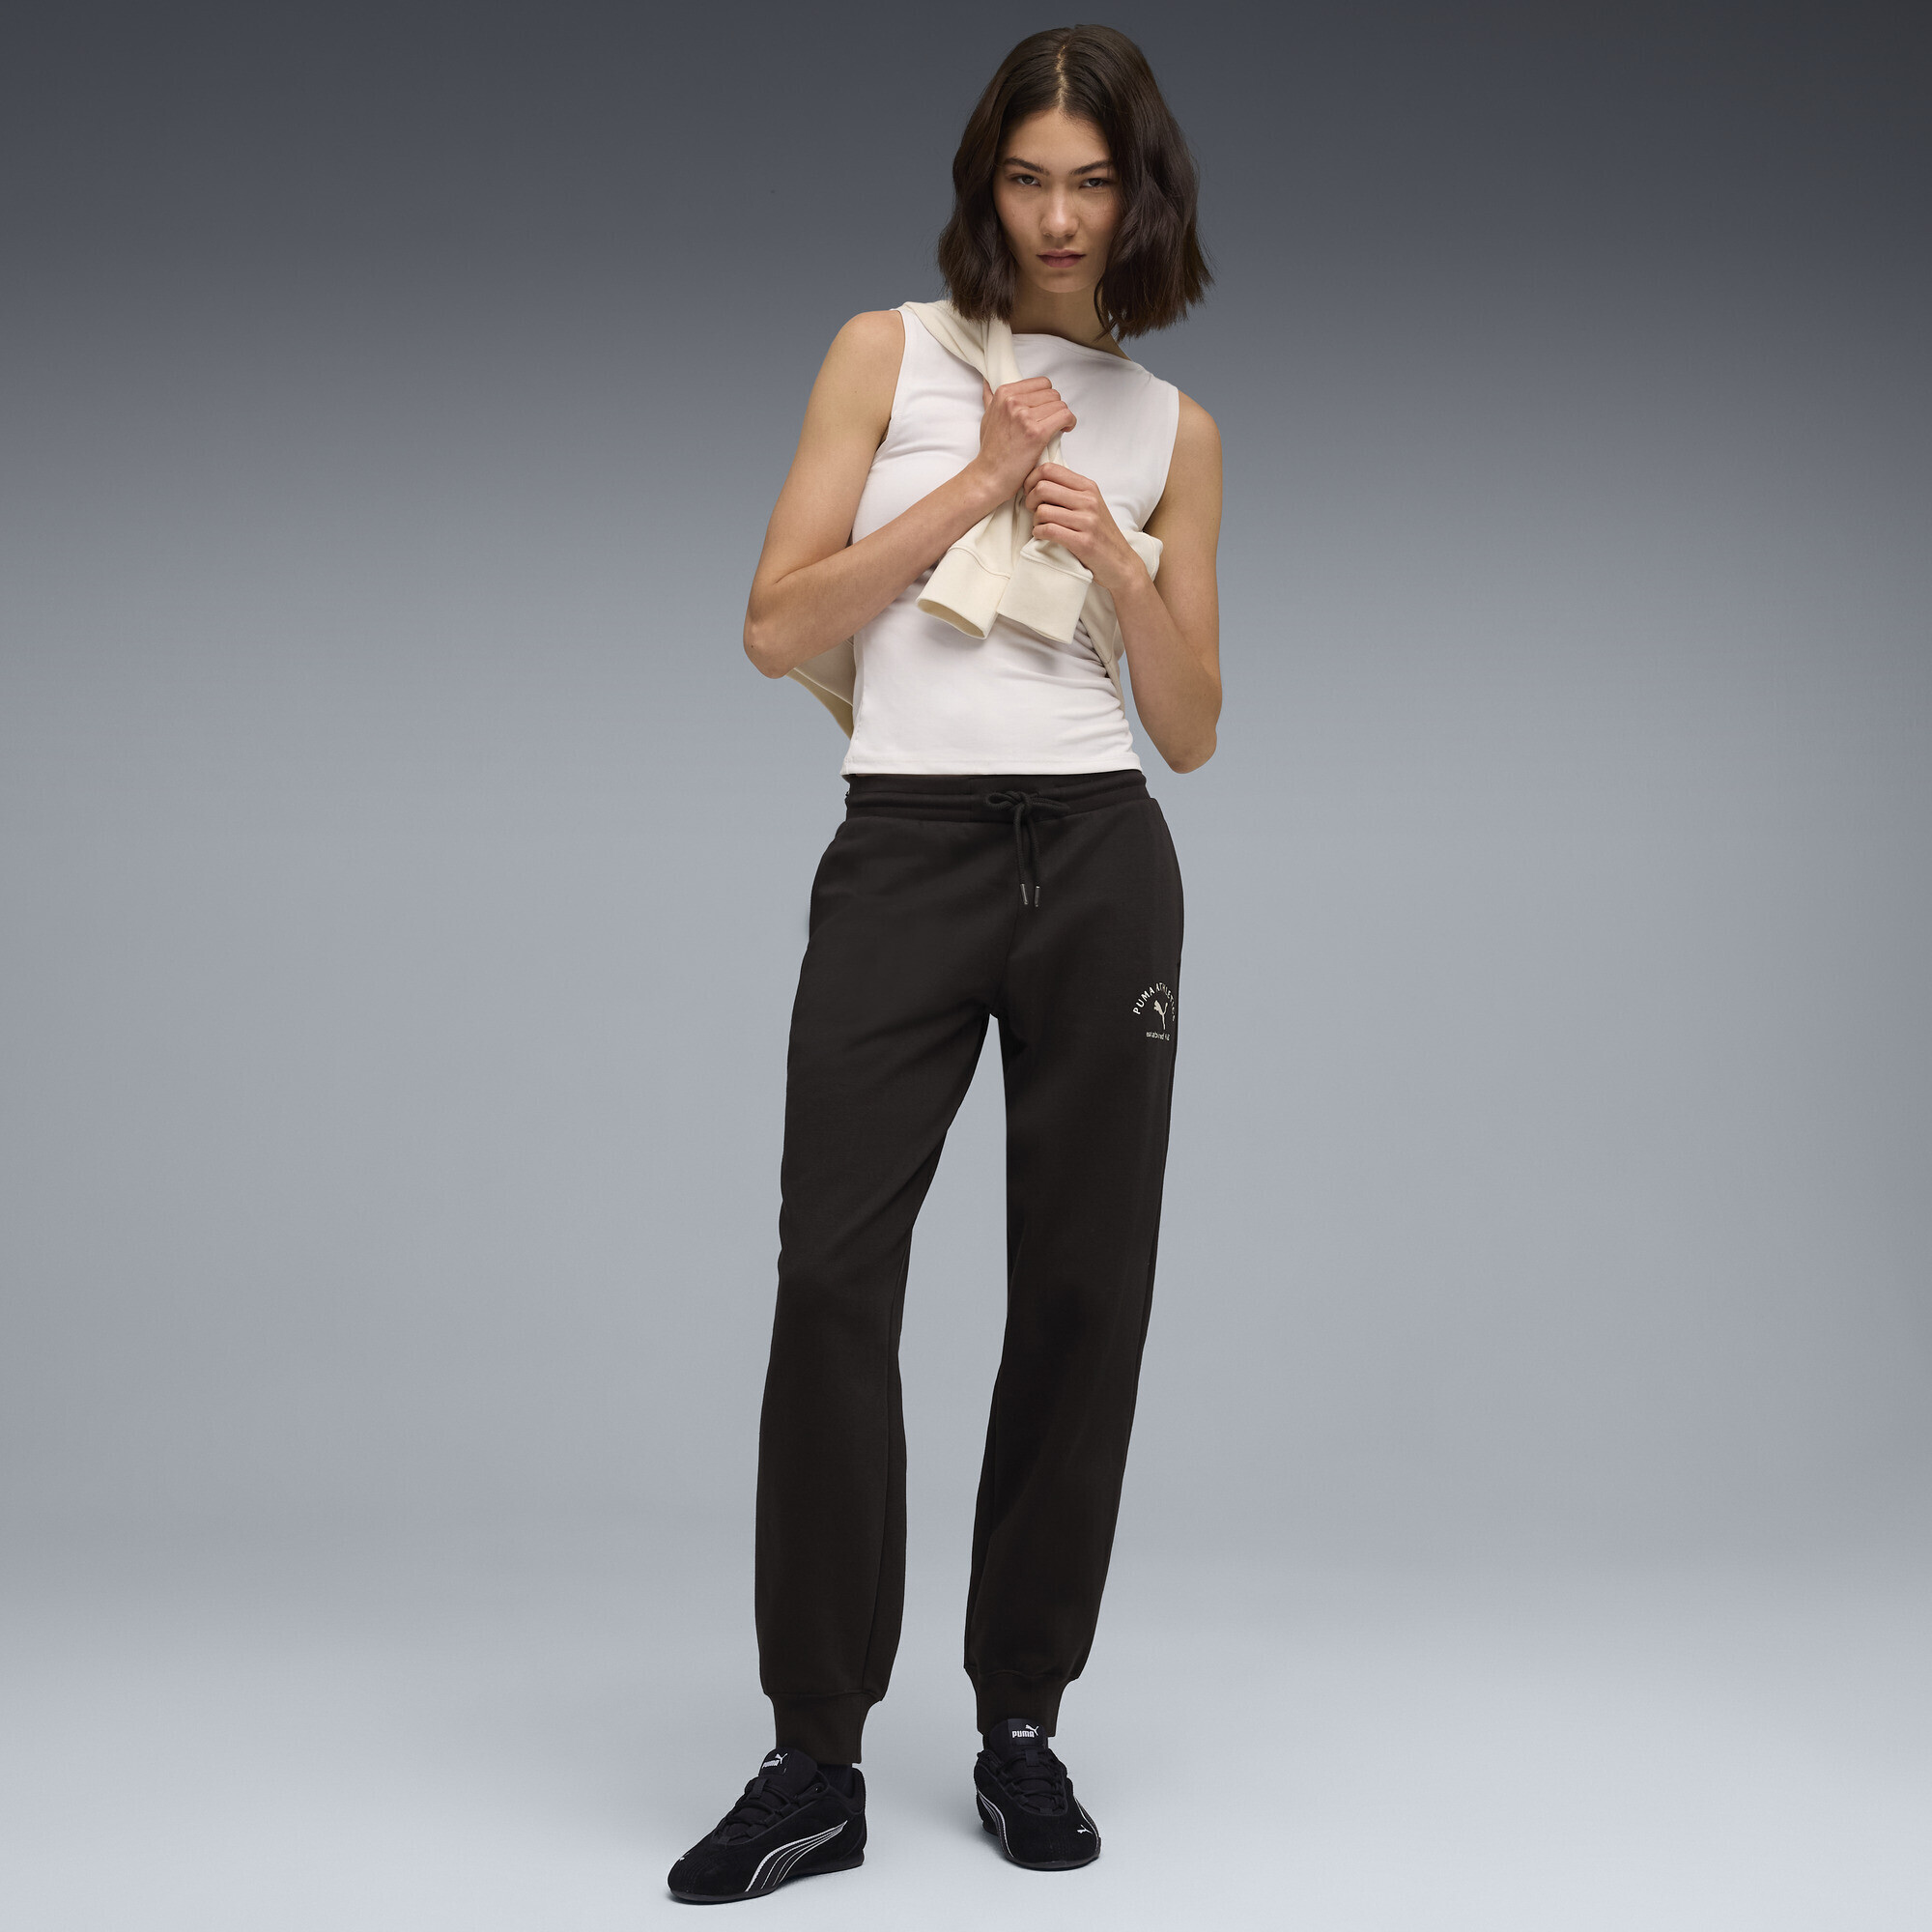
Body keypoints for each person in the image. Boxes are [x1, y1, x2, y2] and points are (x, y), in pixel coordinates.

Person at [668, 23, 1222, 1904]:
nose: (1060, 217)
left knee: (1082, 1292)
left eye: (1094, 183)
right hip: (904, 847)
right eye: (1028, 178)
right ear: (985, 185)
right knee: (833, 1277)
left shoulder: (1175, 429)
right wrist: (972, 489)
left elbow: (1192, 726)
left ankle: (1021, 1725)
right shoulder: (883, 354)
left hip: (1101, 857)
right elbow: (774, 625)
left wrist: (1121, 563)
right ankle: (812, 1755)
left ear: (1139, 200)